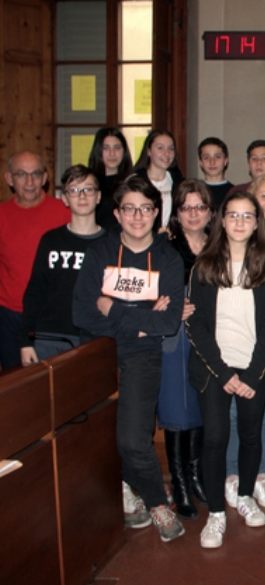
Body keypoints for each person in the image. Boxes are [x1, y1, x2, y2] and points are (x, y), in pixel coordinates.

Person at [73, 176, 185, 542]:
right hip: (98, 353)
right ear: (117, 214)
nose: (138, 216)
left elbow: (168, 323)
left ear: (156, 213)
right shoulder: (99, 253)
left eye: (145, 209)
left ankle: (157, 503)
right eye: (130, 209)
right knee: (97, 438)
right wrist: (140, 321)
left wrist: (113, 308)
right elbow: (82, 313)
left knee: (133, 439)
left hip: (142, 356)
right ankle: (126, 493)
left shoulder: (168, 259)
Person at [186, 190, 265, 549]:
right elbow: (196, 325)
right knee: (214, 439)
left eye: (247, 216)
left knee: (251, 435)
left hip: (253, 369)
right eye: (233, 215)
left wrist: (252, 375)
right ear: (221, 221)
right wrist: (224, 374)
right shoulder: (204, 266)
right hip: (215, 369)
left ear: (257, 224)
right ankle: (216, 514)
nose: (240, 222)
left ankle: (244, 496)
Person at [224, 174, 265, 509]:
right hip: (237, 343)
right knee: (236, 415)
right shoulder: (237, 238)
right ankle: (233, 475)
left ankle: (259, 475)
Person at [157, 179, 214, 521]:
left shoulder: (219, 244)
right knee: (177, 410)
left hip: (210, 336)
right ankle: (179, 484)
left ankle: (196, 477)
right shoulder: (164, 246)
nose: (193, 214)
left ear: (209, 211)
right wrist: (169, 309)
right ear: (176, 213)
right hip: (175, 338)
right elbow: (149, 292)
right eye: (186, 207)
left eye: (200, 206)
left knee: (201, 407)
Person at [19, 165, 105, 365]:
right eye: (74, 190)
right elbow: (34, 292)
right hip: (48, 338)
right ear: (64, 198)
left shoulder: (111, 244)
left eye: (88, 189)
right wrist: (25, 341)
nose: (82, 196)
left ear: (98, 196)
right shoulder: (51, 240)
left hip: (93, 339)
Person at [0, 151, 70, 370]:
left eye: (36, 174)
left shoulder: (65, 212)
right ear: (9, 179)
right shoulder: (1, 215)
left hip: (53, 316)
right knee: (16, 381)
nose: (30, 182)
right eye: (21, 174)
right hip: (11, 315)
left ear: (45, 177)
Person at [133, 129, 184, 229]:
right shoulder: (135, 182)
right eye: (160, 148)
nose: (166, 153)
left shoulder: (179, 182)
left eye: (171, 148)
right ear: (148, 151)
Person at [88, 127, 134, 229]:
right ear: (98, 151)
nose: (112, 153)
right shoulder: (89, 182)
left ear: (124, 151)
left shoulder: (132, 182)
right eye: (106, 148)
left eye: (117, 148)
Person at [198, 137, 233, 207]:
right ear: (201, 162)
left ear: (225, 161)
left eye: (217, 157)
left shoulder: (233, 192)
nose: (212, 162)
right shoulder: (195, 191)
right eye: (206, 157)